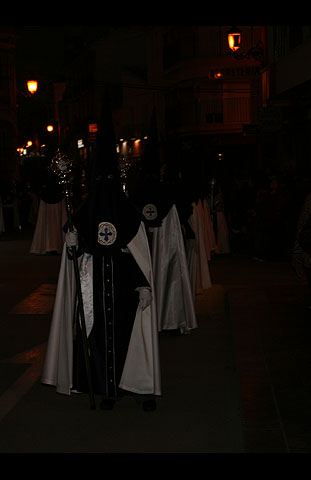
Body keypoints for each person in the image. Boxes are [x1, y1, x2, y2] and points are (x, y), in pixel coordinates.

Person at [41, 95, 161, 411]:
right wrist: (71, 247)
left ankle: (139, 387)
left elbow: (137, 252)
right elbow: (77, 253)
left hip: (125, 286)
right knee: (99, 338)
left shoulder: (128, 211)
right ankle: (107, 388)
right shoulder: (84, 209)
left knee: (131, 338)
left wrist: (143, 283)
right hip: (94, 285)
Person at [129, 109, 196, 334]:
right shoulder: (168, 192)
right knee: (168, 274)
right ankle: (169, 317)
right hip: (164, 242)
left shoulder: (137, 192)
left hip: (151, 241)